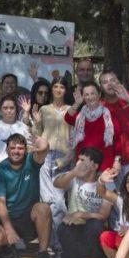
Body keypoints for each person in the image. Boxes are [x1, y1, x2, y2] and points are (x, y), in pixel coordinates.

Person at [0, 133, 53, 258]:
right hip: (8, 216)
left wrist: (44, 144)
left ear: (26, 150)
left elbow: (43, 151)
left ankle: (43, 254)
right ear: (6, 150)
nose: (16, 151)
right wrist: (8, 228)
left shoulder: (31, 162)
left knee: (43, 208)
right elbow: (0, 202)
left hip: (27, 216)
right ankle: (7, 247)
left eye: (20, 148)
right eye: (12, 148)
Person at [29, 76, 74, 231]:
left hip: (64, 157)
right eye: (55, 86)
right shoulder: (44, 109)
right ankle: (53, 241)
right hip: (45, 156)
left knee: (60, 200)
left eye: (62, 87)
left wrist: (70, 155)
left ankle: (61, 238)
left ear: (65, 90)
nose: (58, 90)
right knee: (47, 199)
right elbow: (37, 135)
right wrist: (36, 122)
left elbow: (76, 134)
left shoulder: (71, 109)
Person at [53, 149, 112, 258]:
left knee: (95, 225)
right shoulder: (74, 179)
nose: (77, 163)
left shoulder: (105, 183)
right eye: (78, 160)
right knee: (63, 228)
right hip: (74, 227)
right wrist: (73, 172)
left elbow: (103, 215)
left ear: (94, 166)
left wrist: (80, 214)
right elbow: (57, 183)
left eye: (82, 160)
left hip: (93, 230)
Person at [100, 70, 129, 181]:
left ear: (119, 83)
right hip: (109, 162)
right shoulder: (99, 105)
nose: (110, 84)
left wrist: (128, 99)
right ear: (101, 87)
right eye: (105, 82)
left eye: (113, 80)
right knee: (111, 197)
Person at [65, 82, 121, 173]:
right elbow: (67, 118)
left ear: (99, 94)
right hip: (83, 167)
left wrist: (117, 161)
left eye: (92, 93)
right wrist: (77, 103)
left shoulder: (109, 115)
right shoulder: (80, 116)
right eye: (86, 94)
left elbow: (118, 139)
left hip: (104, 167)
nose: (90, 97)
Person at [0, 95, 30, 170]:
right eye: (5, 108)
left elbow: (29, 153)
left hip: (19, 171)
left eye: (12, 108)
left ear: (16, 109)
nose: (9, 110)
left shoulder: (24, 128)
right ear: (0, 110)